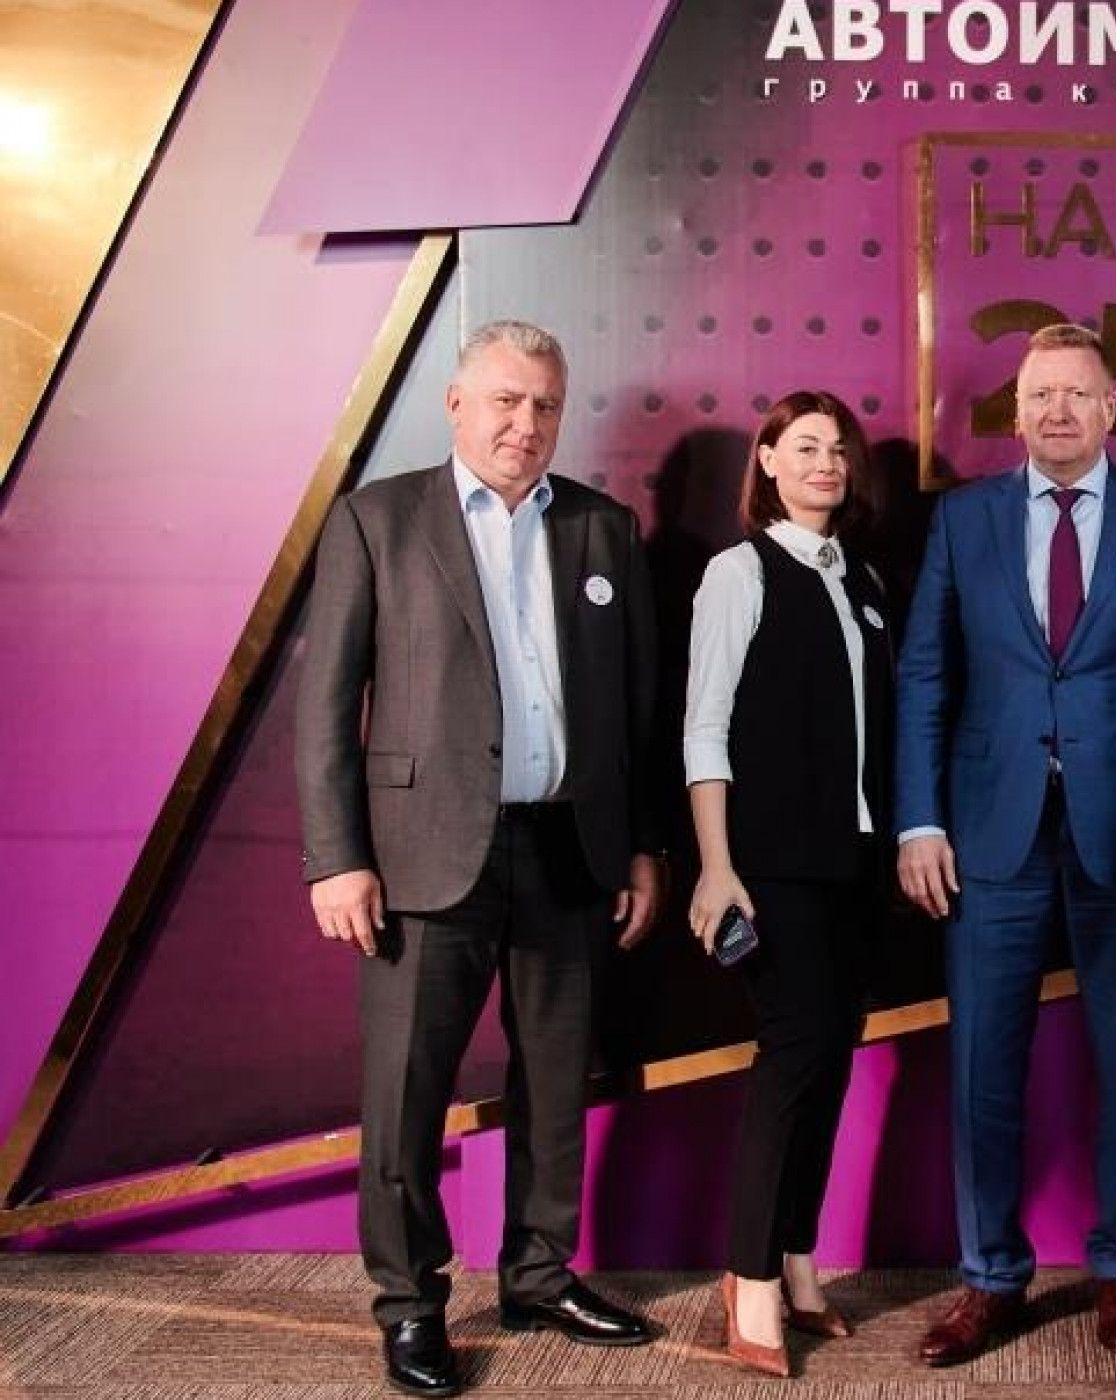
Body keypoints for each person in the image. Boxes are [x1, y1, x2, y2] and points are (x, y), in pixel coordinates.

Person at [297, 320, 661, 1398]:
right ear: (456, 403)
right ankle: (410, 1301)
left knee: (556, 1082)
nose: (525, 423)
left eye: (545, 404)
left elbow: (636, 708)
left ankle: (540, 1275)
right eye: (505, 400)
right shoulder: (377, 519)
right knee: (406, 1093)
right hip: (422, 854)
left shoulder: (603, 527)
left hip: (569, 846)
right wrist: (336, 857)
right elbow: (325, 709)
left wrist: (643, 846)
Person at [895, 322, 1116, 1366]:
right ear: (1016, 409)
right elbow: (925, 673)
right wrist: (919, 817)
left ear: (1112, 409)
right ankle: (991, 1275)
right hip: (990, 833)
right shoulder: (964, 518)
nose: (1058, 411)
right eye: (1040, 394)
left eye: (1078, 394)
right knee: (984, 1067)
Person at [681, 392, 892, 1378]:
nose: (825, 462)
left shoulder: (862, 579)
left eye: (837, 447)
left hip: (855, 859)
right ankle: (750, 1273)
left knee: (832, 1055)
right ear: (767, 460)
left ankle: (798, 1255)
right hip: (770, 863)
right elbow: (705, 725)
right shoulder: (739, 571)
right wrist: (716, 864)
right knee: (793, 1053)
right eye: (803, 446)